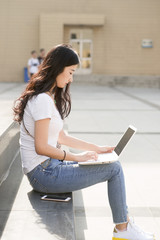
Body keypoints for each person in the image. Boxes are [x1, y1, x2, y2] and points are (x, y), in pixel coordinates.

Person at [13, 44, 155, 240]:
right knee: (114, 169)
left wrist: (97, 148)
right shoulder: (42, 101)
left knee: (107, 162)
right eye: (70, 72)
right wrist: (76, 157)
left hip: (48, 169)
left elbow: (61, 137)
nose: (71, 78)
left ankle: (125, 226)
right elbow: (41, 147)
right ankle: (123, 230)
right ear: (58, 67)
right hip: (44, 174)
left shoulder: (47, 97)